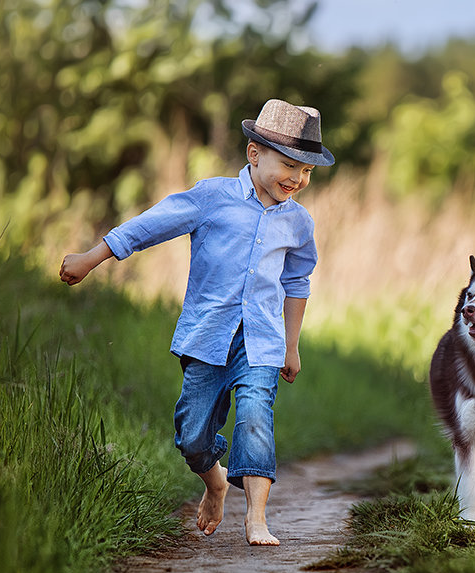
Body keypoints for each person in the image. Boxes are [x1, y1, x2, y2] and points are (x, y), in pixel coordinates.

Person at [59, 99, 334, 546]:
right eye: (289, 165)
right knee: (192, 436)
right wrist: (92, 258)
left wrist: (291, 345)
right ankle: (215, 483)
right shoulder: (212, 197)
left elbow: (297, 281)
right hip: (206, 337)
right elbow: (152, 225)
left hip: (260, 342)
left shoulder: (299, 223)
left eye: (306, 172)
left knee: (255, 417)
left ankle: (257, 520)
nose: (297, 179)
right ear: (254, 154)